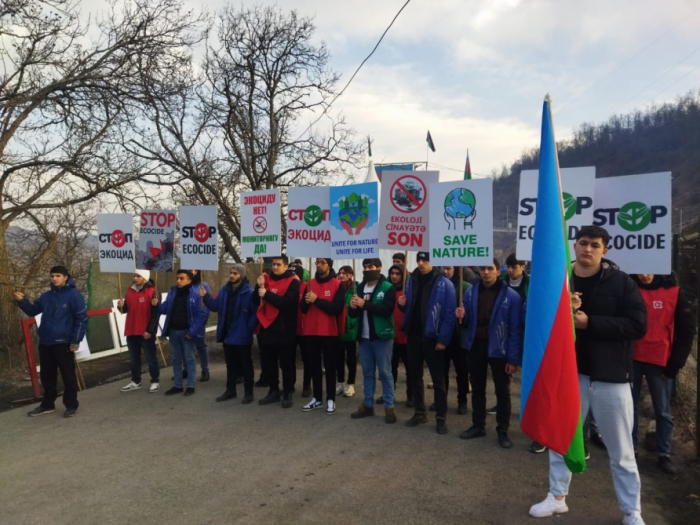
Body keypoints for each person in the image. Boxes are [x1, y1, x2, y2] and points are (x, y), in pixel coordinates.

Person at [529, 226, 647, 525]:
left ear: (604, 250)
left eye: (595, 245)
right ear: (574, 245)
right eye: (583, 243)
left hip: (611, 377)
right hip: (570, 376)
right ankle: (557, 497)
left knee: (621, 451)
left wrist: (589, 323)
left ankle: (632, 511)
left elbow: (637, 326)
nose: (588, 249)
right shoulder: (560, 280)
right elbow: (540, 319)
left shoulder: (622, 283)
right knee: (562, 440)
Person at [631, 273, 694, 474]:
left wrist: (675, 364)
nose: (644, 274)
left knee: (663, 410)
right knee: (628, 407)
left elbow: (686, 331)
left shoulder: (674, 293)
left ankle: (663, 453)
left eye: (649, 269)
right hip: (631, 358)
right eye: (640, 269)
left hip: (660, 361)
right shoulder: (629, 288)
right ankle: (630, 449)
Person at [456, 258, 521, 447]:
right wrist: (463, 316)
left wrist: (513, 358)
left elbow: (515, 329)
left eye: (489, 269)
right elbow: (466, 322)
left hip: (499, 348)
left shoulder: (511, 296)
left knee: (502, 391)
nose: (485, 272)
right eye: (482, 269)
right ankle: (478, 425)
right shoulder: (470, 292)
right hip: (476, 346)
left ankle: (503, 430)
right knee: (477, 389)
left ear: (497, 271)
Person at [15, 266, 87, 418]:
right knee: (47, 376)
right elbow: (33, 310)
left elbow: (81, 319)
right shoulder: (46, 296)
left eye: (58, 275)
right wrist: (22, 301)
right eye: (52, 276)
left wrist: (75, 341)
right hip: (46, 342)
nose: (54, 278)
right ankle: (48, 404)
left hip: (64, 342)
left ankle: (71, 404)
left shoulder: (74, 295)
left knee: (68, 375)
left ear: (66, 277)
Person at [399, 252, 456, 435]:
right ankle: (419, 412)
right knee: (414, 376)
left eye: (426, 260)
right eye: (419, 260)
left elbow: (449, 315)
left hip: (433, 337)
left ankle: (441, 418)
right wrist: (402, 304)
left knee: (438, 379)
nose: (422, 263)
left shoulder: (444, 283)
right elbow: (409, 305)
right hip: (414, 335)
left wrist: (443, 339)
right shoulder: (411, 279)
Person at [200, 264, 258, 404]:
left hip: (242, 336)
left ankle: (248, 392)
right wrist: (206, 296)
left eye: (235, 273)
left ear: (241, 275)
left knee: (245, 365)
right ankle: (230, 390)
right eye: (231, 273)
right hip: (227, 335)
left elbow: (255, 312)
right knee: (230, 365)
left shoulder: (249, 293)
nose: (232, 275)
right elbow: (215, 306)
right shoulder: (224, 291)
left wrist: (249, 327)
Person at [349, 258, 397, 424]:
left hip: (381, 337)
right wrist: (353, 306)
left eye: (371, 266)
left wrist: (364, 304)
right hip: (364, 338)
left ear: (379, 267)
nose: (367, 269)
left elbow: (387, 310)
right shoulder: (360, 287)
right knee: (367, 373)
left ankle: (389, 407)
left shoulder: (387, 287)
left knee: (385, 373)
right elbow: (354, 314)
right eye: (365, 266)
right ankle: (368, 404)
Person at [254, 255, 300, 409]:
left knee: (286, 363)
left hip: (285, 329)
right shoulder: (265, 280)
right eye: (273, 264)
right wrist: (257, 287)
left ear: (286, 267)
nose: (275, 267)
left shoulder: (293, 283)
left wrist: (267, 294)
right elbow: (256, 300)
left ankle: (287, 392)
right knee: (269, 363)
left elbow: (288, 303)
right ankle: (273, 390)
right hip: (267, 329)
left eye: (278, 265)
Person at [300, 258, 345, 414]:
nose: (319, 265)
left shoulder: (337, 284)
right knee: (314, 367)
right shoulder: (309, 284)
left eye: (322, 262)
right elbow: (303, 309)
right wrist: (306, 302)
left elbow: (337, 308)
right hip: (311, 331)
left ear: (329, 265)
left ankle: (331, 398)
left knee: (330, 367)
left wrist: (317, 300)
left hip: (329, 332)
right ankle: (317, 398)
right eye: (317, 262)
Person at [155, 269, 209, 396]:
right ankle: (177, 385)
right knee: (176, 359)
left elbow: (202, 314)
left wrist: (192, 332)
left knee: (189, 359)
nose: (178, 280)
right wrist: (155, 304)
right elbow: (164, 309)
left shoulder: (196, 294)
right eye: (177, 278)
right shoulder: (172, 293)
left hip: (187, 332)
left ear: (189, 280)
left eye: (182, 278)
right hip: (173, 331)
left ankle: (190, 385)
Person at [117, 270, 161, 393]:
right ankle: (136, 381)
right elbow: (125, 309)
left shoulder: (153, 292)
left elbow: (155, 314)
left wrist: (150, 330)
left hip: (146, 331)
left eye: (138, 276)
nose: (135, 278)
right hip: (131, 329)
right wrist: (120, 306)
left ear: (145, 278)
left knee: (151, 357)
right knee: (134, 358)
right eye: (135, 276)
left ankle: (155, 381)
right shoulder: (129, 290)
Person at [442, 266, 471, 415]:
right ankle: (442, 400)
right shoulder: (440, 285)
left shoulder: (466, 287)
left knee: (462, 371)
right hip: (444, 337)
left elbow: (473, 312)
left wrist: (464, 314)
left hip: (460, 337)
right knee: (442, 371)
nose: (445, 271)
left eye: (448, 268)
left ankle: (462, 401)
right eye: (443, 268)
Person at [388, 263, 412, 407]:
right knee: (390, 369)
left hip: (406, 336)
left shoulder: (408, 290)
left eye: (398, 274)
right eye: (392, 273)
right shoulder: (387, 289)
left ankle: (411, 396)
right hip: (391, 335)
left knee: (411, 369)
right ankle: (389, 394)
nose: (394, 276)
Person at [337, 265, 358, 397]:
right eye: (340, 273)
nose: (341, 275)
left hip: (350, 327)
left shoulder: (355, 288)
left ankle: (351, 384)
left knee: (351, 359)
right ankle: (340, 383)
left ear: (350, 275)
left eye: (344, 273)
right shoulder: (336, 287)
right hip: (338, 326)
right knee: (338, 358)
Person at [291, 266, 312, 398]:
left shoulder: (306, 286)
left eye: (293, 274)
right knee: (289, 359)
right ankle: (290, 384)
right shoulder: (287, 286)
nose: (291, 276)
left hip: (304, 329)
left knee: (307, 359)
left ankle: (306, 385)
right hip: (291, 328)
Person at [189, 270, 211, 382]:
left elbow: (206, 305)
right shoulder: (186, 285)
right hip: (187, 322)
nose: (190, 271)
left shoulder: (203, 285)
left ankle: (205, 370)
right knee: (187, 347)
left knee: (201, 346)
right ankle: (186, 369)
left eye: (192, 269)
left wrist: (203, 322)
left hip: (199, 322)